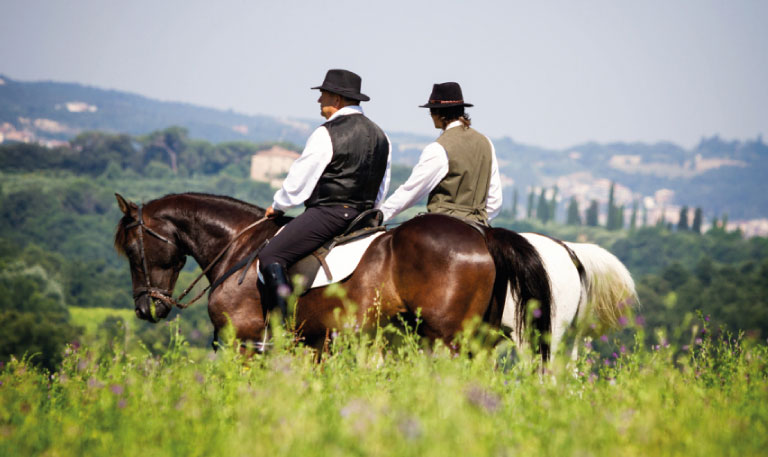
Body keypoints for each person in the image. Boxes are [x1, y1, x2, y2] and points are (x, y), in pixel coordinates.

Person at [259, 69, 391, 318]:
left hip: (329, 213)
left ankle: (282, 328)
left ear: (337, 100)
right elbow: (383, 184)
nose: (319, 101)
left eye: (323, 95)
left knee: (271, 254)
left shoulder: (327, 132)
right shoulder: (382, 136)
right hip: (366, 216)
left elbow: (300, 180)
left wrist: (278, 206)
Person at [379, 82, 502, 225]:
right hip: (480, 226)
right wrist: (478, 223)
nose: (430, 115)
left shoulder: (438, 148)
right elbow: (495, 201)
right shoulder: (486, 143)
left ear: (440, 114)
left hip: (444, 226)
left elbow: (412, 191)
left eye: (431, 111)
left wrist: (381, 215)